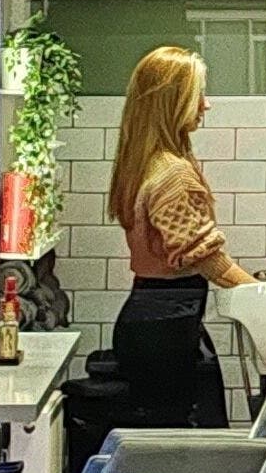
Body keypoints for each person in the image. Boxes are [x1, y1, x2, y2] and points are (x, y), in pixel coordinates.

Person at [105, 45, 252, 428]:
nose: (206, 106)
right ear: (172, 102)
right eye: (196, 96)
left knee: (158, 438)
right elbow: (207, 258)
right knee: (185, 440)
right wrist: (262, 295)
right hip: (167, 331)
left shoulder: (140, 165)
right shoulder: (172, 174)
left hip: (147, 318)